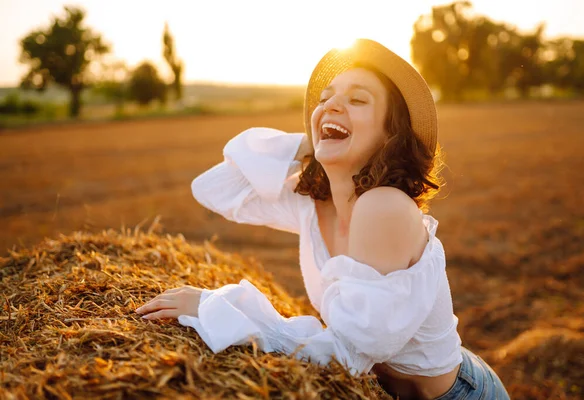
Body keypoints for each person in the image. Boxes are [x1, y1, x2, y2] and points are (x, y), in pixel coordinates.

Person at [135, 39, 510, 400]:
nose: (331, 105)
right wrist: (310, 143)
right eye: (325, 99)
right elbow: (213, 188)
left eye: (358, 99)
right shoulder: (313, 202)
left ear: (390, 134)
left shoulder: (386, 207)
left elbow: (348, 355)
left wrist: (216, 307)